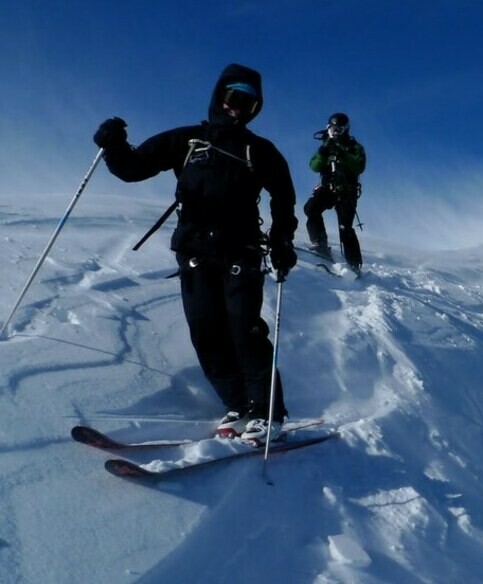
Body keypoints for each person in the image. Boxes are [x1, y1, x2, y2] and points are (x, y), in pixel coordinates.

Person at [92, 63, 298, 443]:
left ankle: (267, 411)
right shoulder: (188, 141)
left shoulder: (260, 150)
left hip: (242, 249)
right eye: (233, 97)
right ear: (220, 97)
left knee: (244, 326)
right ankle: (237, 403)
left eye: (248, 103)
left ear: (255, 109)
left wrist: (283, 239)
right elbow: (134, 167)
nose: (238, 107)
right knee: (205, 329)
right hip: (195, 250)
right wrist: (113, 145)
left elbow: (284, 197)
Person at [304, 113, 366, 272]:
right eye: (332, 128)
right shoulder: (325, 146)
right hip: (327, 188)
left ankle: (354, 264)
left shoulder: (354, 147)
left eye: (339, 129)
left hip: (347, 192)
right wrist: (323, 153)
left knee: (345, 227)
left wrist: (342, 155)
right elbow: (314, 166)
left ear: (345, 129)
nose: (335, 132)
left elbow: (359, 166)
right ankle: (320, 244)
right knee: (311, 208)